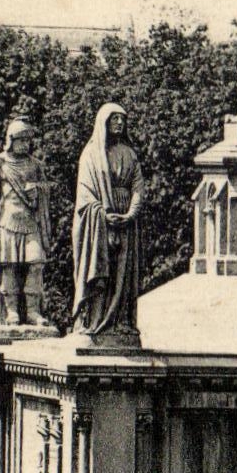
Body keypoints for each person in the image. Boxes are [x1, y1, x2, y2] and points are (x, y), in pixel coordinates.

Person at [72, 103, 144, 340]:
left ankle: (120, 320)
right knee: (101, 270)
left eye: (122, 120)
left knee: (123, 274)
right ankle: (94, 319)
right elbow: (84, 193)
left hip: (125, 222)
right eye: (114, 120)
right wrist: (103, 214)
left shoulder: (130, 154)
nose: (119, 124)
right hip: (99, 222)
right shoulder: (91, 154)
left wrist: (130, 214)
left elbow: (137, 187)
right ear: (104, 122)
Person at [0, 117, 52, 328]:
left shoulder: (36, 165)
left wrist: (38, 190)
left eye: (28, 140)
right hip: (7, 221)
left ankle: (32, 311)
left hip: (30, 221)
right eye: (21, 140)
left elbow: (45, 189)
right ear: (11, 140)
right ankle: (11, 311)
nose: (26, 144)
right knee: (9, 266)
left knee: (36, 263)